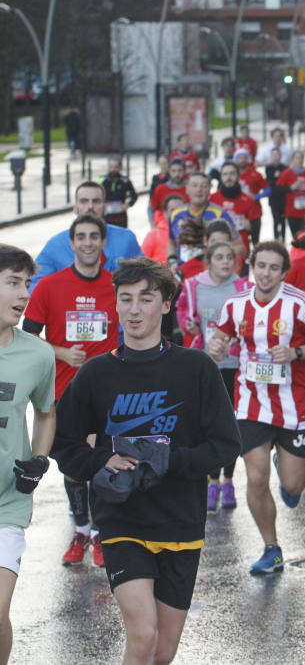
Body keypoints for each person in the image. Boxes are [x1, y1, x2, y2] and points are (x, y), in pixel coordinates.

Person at [52, 257, 239, 665]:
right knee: (143, 634)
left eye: (146, 299)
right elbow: (62, 441)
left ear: (166, 304)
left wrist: (168, 460)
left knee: (163, 652)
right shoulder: (97, 374)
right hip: (122, 522)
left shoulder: (197, 368)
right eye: (126, 299)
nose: (135, 309)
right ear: (116, 305)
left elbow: (225, 445)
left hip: (181, 522)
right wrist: (102, 462)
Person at [208, 243, 305, 575]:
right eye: (261, 266)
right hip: (250, 401)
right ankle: (272, 548)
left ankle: (285, 469)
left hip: (294, 403)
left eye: (273, 268)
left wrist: (296, 353)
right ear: (252, 268)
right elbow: (220, 336)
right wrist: (216, 344)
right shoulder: (236, 304)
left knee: (294, 487)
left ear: (284, 272)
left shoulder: (299, 303)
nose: (266, 273)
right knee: (255, 478)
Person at [24, 213, 119, 567]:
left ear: (103, 242)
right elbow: (27, 337)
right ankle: (81, 528)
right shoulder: (49, 286)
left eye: (95, 236)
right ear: (72, 242)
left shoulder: (116, 286)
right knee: (74, 468)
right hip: (64, 389)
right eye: (81, 236)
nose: (88, 242)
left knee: (100, 461)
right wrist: (61, 351)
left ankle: (98, 533)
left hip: (108, 392)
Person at [0, 245, 56, 665]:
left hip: (8, 501)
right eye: (13, 283)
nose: (24, 294)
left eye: (27, 284)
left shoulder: (37, 354)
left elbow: (45, 412)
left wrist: (38, 460)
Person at [175, 241, 251, 511]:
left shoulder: (244, 287)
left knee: (230, 422)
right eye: (219, 257)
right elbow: (181, 311)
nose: (226, 262)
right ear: (209, 261)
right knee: (207, 423)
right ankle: (212, 480)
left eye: (230, 257)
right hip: (204, 362)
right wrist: (188, 323)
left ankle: (228, 480)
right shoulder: (194, 285)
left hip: (236, 363)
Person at [32, 182, 143, 290]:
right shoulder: (55, 245)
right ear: (75, 208)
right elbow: (35, 285)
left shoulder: (126, 239)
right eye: (84, 201)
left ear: (105, 208)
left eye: (96, 201)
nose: (90, 207)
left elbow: (146, 275)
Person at [278, 151, 305, 240]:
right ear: (292, 160)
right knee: (296, 237)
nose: (300, 160)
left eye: (301, 158)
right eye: (297, 158)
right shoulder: (286, 173)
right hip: (292, 211)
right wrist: (291, 187)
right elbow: (278, 189)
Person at [149, 158, 188, 228]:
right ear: (169, 172)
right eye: (174, 171)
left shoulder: (191, 189)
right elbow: (151, 208)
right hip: (164, 228)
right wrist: (152, 225)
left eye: (180, 170)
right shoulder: (160, 189)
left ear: (185, 171)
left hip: (186, 228)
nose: (177, 174)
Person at [100, 156, 138, 228]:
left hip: (120, 217)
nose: (113, 169)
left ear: (120, 168)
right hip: (105, 216)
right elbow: (95, 195)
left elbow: (134, 196)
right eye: (111, 167)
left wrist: (128, 204)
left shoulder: (125, 181)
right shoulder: (101, 180)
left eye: (116, 167)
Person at [265, 148, 288, 242]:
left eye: (277, 155)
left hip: (283, 199)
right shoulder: (269, 168)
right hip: (273, 198)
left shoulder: (284, 168)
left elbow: (284, 183)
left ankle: (283, 239)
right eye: (273, 155)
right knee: (275, 220)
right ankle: (276, 238)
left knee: (283, 221)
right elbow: (270, 183)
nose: (275, 157)